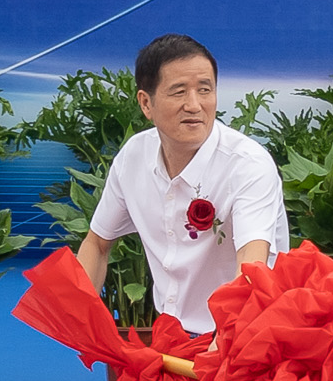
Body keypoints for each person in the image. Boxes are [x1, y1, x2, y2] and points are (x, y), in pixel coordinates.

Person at [74, 31, 284, 335]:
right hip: (170, 335)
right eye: (179, 91)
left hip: (242, 336)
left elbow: (252, 269)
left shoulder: (248, 165)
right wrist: (79, 316)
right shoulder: (134, 156)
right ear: (146, 103)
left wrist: (223, 346)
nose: (195, 105)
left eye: (205, 90)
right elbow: (97, 243)